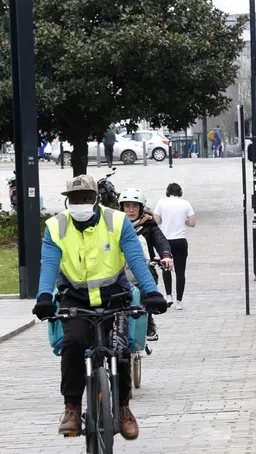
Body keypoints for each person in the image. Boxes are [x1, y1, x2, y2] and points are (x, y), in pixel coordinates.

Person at [32, 175, 168, 440]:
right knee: (73, 344)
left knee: (121, 348)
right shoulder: (56, 226)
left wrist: (151, 292)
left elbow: (135, 257)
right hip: (75, 298)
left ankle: (123, 407)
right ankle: (71, 408)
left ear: (96, 199)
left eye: (86, 197)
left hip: (114, 296)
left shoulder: (116, 222)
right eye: (75, 198)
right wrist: (44, 297)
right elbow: (48, 264)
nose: (80, 203)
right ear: (67, 200)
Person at [119, 188, 174, 339]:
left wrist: (166, 256)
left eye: (135, 206)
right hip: (120, 270)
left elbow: (161, 241)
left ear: (141, 208)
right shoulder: (115, 226)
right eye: (127, 206)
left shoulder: (149, 225)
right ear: (121, 208)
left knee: (146, 292)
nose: (131, 210)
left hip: (144, 268)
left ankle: (148, 322)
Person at [154, 183, 196, 310]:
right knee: (180, 271)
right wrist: (183, 220)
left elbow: (157, 221)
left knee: (166, 268)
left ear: (167, 192)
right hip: (180, 241)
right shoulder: (186, 204)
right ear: (180, 192)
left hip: (165, 241)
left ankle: (168, 296)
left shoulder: (161, 202)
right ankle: (179, 301)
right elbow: (192, 223)